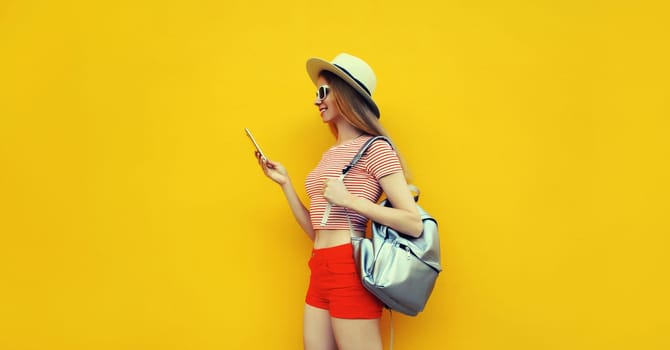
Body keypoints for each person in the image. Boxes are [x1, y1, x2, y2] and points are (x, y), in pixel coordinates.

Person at [255, 53, 422, 350]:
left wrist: (350, 201)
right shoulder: (330, 155)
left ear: (345, 94)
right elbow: (316, 230)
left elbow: (413, 223)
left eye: (323, 92)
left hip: (349, 267)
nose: (316, 101)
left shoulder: (375, 148)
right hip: (320, 266)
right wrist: (286, 184)